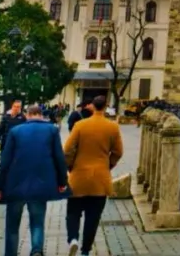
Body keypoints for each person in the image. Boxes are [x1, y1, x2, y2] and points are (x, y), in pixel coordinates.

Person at [0, 104, 70, 256]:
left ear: (27, 115)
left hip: (15, 185)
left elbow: (5, 162)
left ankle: (10, 253)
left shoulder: (16, 131)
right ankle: (36, 251)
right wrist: (62, 182)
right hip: (40, 185)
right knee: (37, 223)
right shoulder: (51, 130)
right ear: (41, 115)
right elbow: (59, 158)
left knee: (12, 226)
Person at [63, 94, 123, 256]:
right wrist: (108, 165)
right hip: (100, 179)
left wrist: (70, 166)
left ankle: (73, 238)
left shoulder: (80, 125)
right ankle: (85, 250)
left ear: (92, 106)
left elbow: (67, 150)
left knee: (73, 213)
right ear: (105, 107)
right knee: (93, 217)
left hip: (78, 177)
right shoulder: (112, 127)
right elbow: (118, 151)